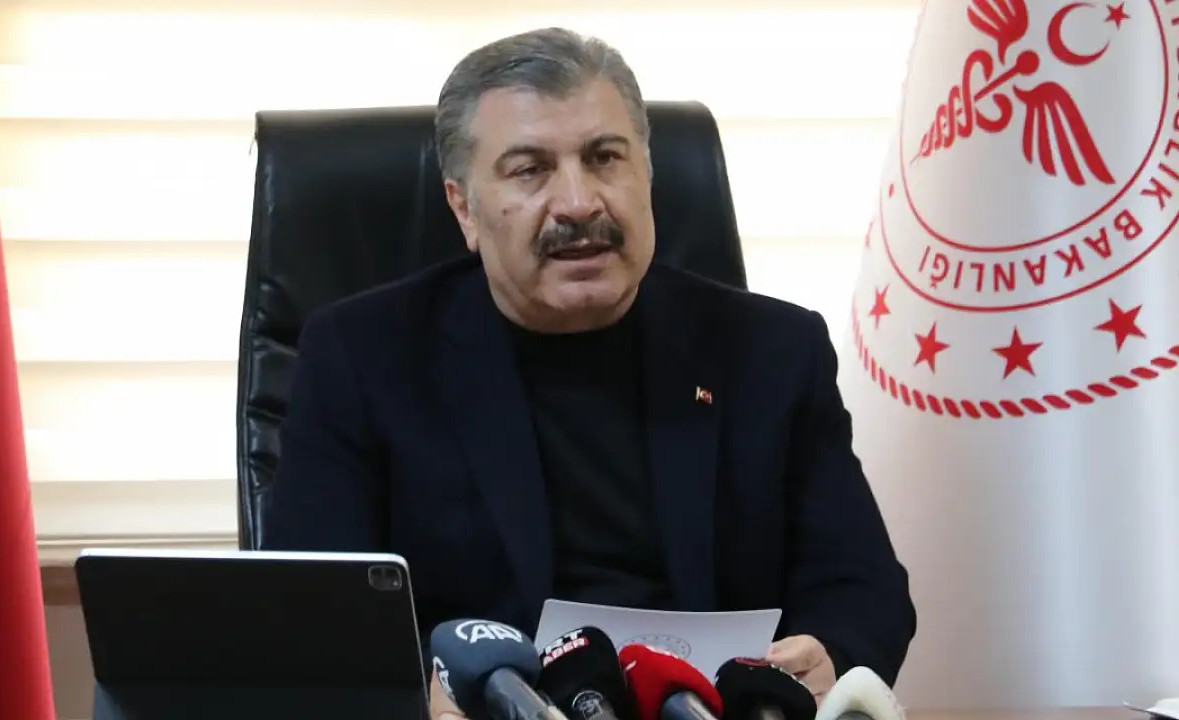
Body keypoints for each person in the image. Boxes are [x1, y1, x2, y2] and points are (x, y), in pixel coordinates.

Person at [263, 26, 916, 718]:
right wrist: (415, 692)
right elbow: (314, 615)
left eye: (604, 159)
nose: (578, 203)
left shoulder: (773, 352)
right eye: (530, 169)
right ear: (463, 207)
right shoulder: (363, 358)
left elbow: (863, 589)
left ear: (647, 176)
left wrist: (829, 655)